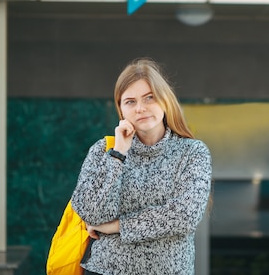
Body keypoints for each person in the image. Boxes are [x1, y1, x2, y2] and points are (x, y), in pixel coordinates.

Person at [70, 58, 212, 275]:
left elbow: (184, 216)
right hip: (105, 270)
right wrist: (118, 154)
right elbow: (90, 212)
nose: (140, 109)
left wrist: (117, 226)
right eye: (130, 101)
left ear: (165, 101)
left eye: (149, 98)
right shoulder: (103, 150)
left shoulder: (193, 152)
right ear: (120, 109)